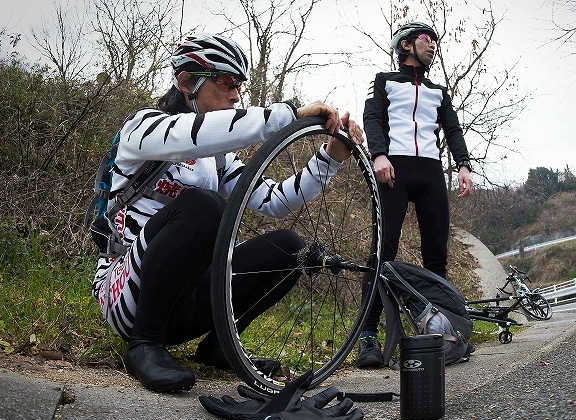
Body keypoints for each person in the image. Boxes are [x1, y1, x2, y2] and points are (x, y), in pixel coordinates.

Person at [91, 33, 363, 392]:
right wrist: (288, 115)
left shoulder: (215, 158)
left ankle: (221, 346)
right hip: (126, 295)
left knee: (289, 246)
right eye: (226, 82)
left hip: (188, 303)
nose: (236, 94)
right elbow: (191, 135)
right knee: (205, 205)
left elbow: (274, 201)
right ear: (187, 82)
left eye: (239, 85)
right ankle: (144, 344)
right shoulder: (142, 129)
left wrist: (329, 159)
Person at [357, 22, 473, 368]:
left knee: (436, 255)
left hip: (431, 172)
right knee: (383, 253)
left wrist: (464, 165)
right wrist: (378, 154)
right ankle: (367, 336)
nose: (434, 45)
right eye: (428, 39)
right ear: (406, 44)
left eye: (436, 40)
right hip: (394, 170)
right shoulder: (384, 80)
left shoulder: (439, 90)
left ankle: (446, 332)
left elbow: (451, 128)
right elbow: (372, 117)